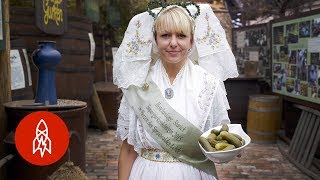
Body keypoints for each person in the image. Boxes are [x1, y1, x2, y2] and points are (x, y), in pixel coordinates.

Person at [113, 2, 238, 180]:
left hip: (193, 174)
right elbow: (127, 150)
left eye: (181, 35)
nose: (173, 43)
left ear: (191, 40)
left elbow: (217, 141)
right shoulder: (137, 84)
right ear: (155, 40)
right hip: (145, 173)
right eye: (165, 35)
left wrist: (228, 151)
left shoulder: (208, 84)